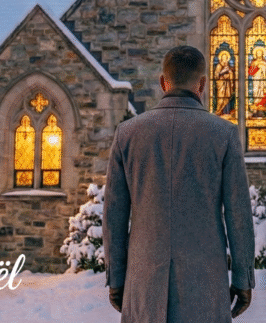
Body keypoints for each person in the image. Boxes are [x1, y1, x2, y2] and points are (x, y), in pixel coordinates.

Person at [103, 45, 255, 322]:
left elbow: (114, 214)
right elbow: (238, 215)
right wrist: (244, 278)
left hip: (144, 281)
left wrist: (116, 277)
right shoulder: (224, 134)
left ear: (163, 82)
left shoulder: (127, 133)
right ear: (203, 84)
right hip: (205, 285)